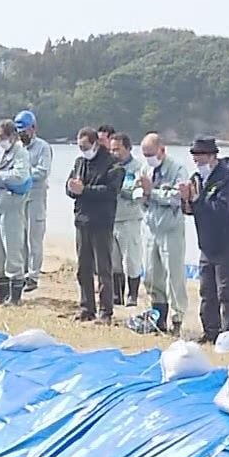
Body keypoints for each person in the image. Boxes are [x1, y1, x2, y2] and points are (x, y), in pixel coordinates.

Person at [178, 137, 229, 344]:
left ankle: (227, 334)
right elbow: (191, 210)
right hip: (206, 242)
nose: (198, 162)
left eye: (201, 157)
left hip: (227, 241)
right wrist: (186, 200)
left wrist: (197, 200)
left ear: (213, 156)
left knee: (226, 291)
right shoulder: (196, 178)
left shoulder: (228, 180)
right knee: (207, 290)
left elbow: (223, 210)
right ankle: (210, 331)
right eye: (195, 158)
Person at [66, 126, 124, 323]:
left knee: (103, 268)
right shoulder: (80, 162)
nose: (83, 150)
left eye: (85, 146)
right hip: (82, 219)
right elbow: (71, 185)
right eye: (80, 147)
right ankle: (86, 308)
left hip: (102, 221)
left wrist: (85, 190)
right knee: (83, 268)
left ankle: (106, 311)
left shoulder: (113, 164)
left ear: (95, 143)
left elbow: (111, 191)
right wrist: (72, 188)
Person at [137, 133, 189, 334]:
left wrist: (153, 192)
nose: (148, 158)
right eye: (145, 154)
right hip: (150, 228)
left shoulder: (177, 169)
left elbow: (177, 198)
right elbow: (139, 194)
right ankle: (158, 317)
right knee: (151, 275)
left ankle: (177, 320)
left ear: (162, 150)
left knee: (174, 276)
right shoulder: (145, 169)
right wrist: (142, 193)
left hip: (171, 229)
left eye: (151, 153)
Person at [0, 119, 33, 305]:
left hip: (13, 206)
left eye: (2, 136)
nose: (0, 140)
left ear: (13, 136)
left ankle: (15, 296)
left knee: (13, 250)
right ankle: (1, 293)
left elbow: (20, 176)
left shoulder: (21, 153)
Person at [13, 110, 52, 293]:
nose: (22, 135)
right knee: (19, 237)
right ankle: (21, 273)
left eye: (24, 131)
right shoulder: (16, 148)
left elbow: (43, 171)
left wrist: (23, 175)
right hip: (19, 198)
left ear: (33, 128)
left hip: (36, 196)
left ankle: (33, 275)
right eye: (19, 132)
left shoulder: (43, 147)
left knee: (34, 238)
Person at [107, 133, 146, 306]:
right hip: (111, 218)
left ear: (128, 148)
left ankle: (133, 294)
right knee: (114, 260)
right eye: (112, 149)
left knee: (132, 259)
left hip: (130, 218)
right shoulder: (110, 167)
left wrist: (118, 188)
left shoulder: (138, 168)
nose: (114, 153)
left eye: (118, 149)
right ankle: (117, 294)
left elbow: (135, 192)